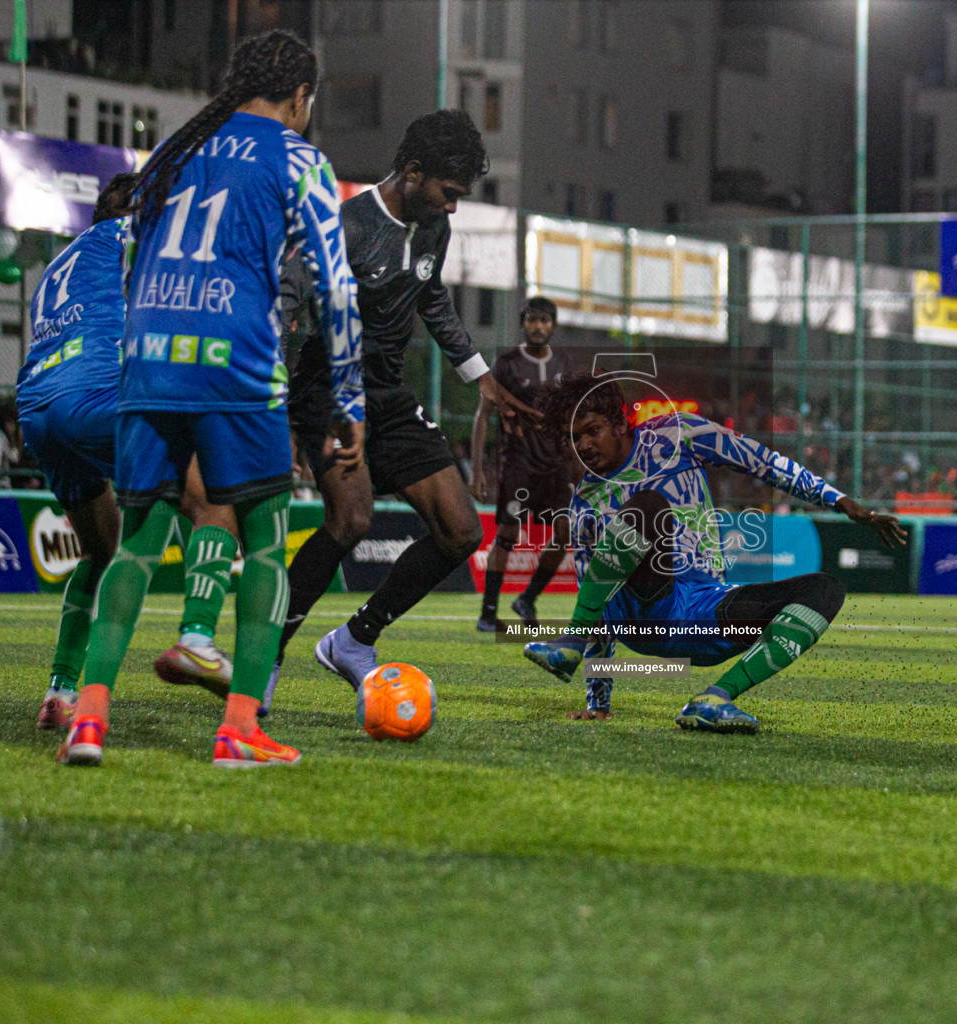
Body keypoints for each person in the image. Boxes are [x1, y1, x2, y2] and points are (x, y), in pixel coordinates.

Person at [55, 29, 365, 768]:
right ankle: (238, 729)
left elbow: (128, 262)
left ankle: (88, 721)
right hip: (237, 368)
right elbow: (336, 287)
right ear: (301, 97)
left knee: (135, 547)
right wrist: (347, 398)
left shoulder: (171, 149)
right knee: (264, 541)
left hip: (150, 365)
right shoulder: (297, 158)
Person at [258, 109, 536, 712]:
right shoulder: (345, 227)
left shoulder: (433, 226)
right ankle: (265, 657)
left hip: (387, 392)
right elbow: (284, 308)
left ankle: (354, 639)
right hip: (327, 389)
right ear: (412, 173)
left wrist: (478, 374)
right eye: (449, 192)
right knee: (351, 520)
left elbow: (430, 295)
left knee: (462, 531)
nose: (454, 207)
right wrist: (274, 410)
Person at [523, 371, 906, 732]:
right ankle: (571, 642)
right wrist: (598, 701)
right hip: (639, 616)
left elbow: (765, 463)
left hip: (699, 614)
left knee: (824, 590)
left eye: (593, 431)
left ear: (621, 423)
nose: (585, 446)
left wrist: (840, 502)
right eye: (575, 438)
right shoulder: (586, 503)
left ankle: (714, 699)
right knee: (649, 507)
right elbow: (593, 595)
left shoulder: (678, 435)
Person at [18, 173, 242, 731]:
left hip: (38, 409)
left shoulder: (60, 263)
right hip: (98, 396)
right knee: (217, 499)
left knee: (100, 549)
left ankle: (61, 690)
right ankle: (197, 638)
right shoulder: (134, 236)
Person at [472, 296, 574, 630]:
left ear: (553, 326)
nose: (539, 326)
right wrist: (477, 470)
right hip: (518, 462)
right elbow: (484, 415)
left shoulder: (564, 365)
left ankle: (526, 599)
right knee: (507, 534)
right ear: (523, 323)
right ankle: (488, 614)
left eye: (545, 320)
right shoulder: (506, 363)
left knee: (565, 532)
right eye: (532, 319)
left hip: (555, 465)